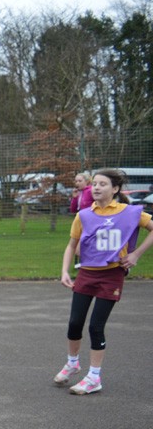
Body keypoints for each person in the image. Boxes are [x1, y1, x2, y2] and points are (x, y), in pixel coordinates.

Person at [54, 168, 153, 395]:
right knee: (74, 323)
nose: (97, 187)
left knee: (96, 327)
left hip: (111, 275)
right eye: (95, 184)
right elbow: (71, 245)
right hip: (87, 273)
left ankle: (94, 378)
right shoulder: (85, 215)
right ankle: (72, 363)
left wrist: (136, 254)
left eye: (103, 184)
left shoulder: (130, 212)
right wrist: (64, 271)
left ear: (115, 189)